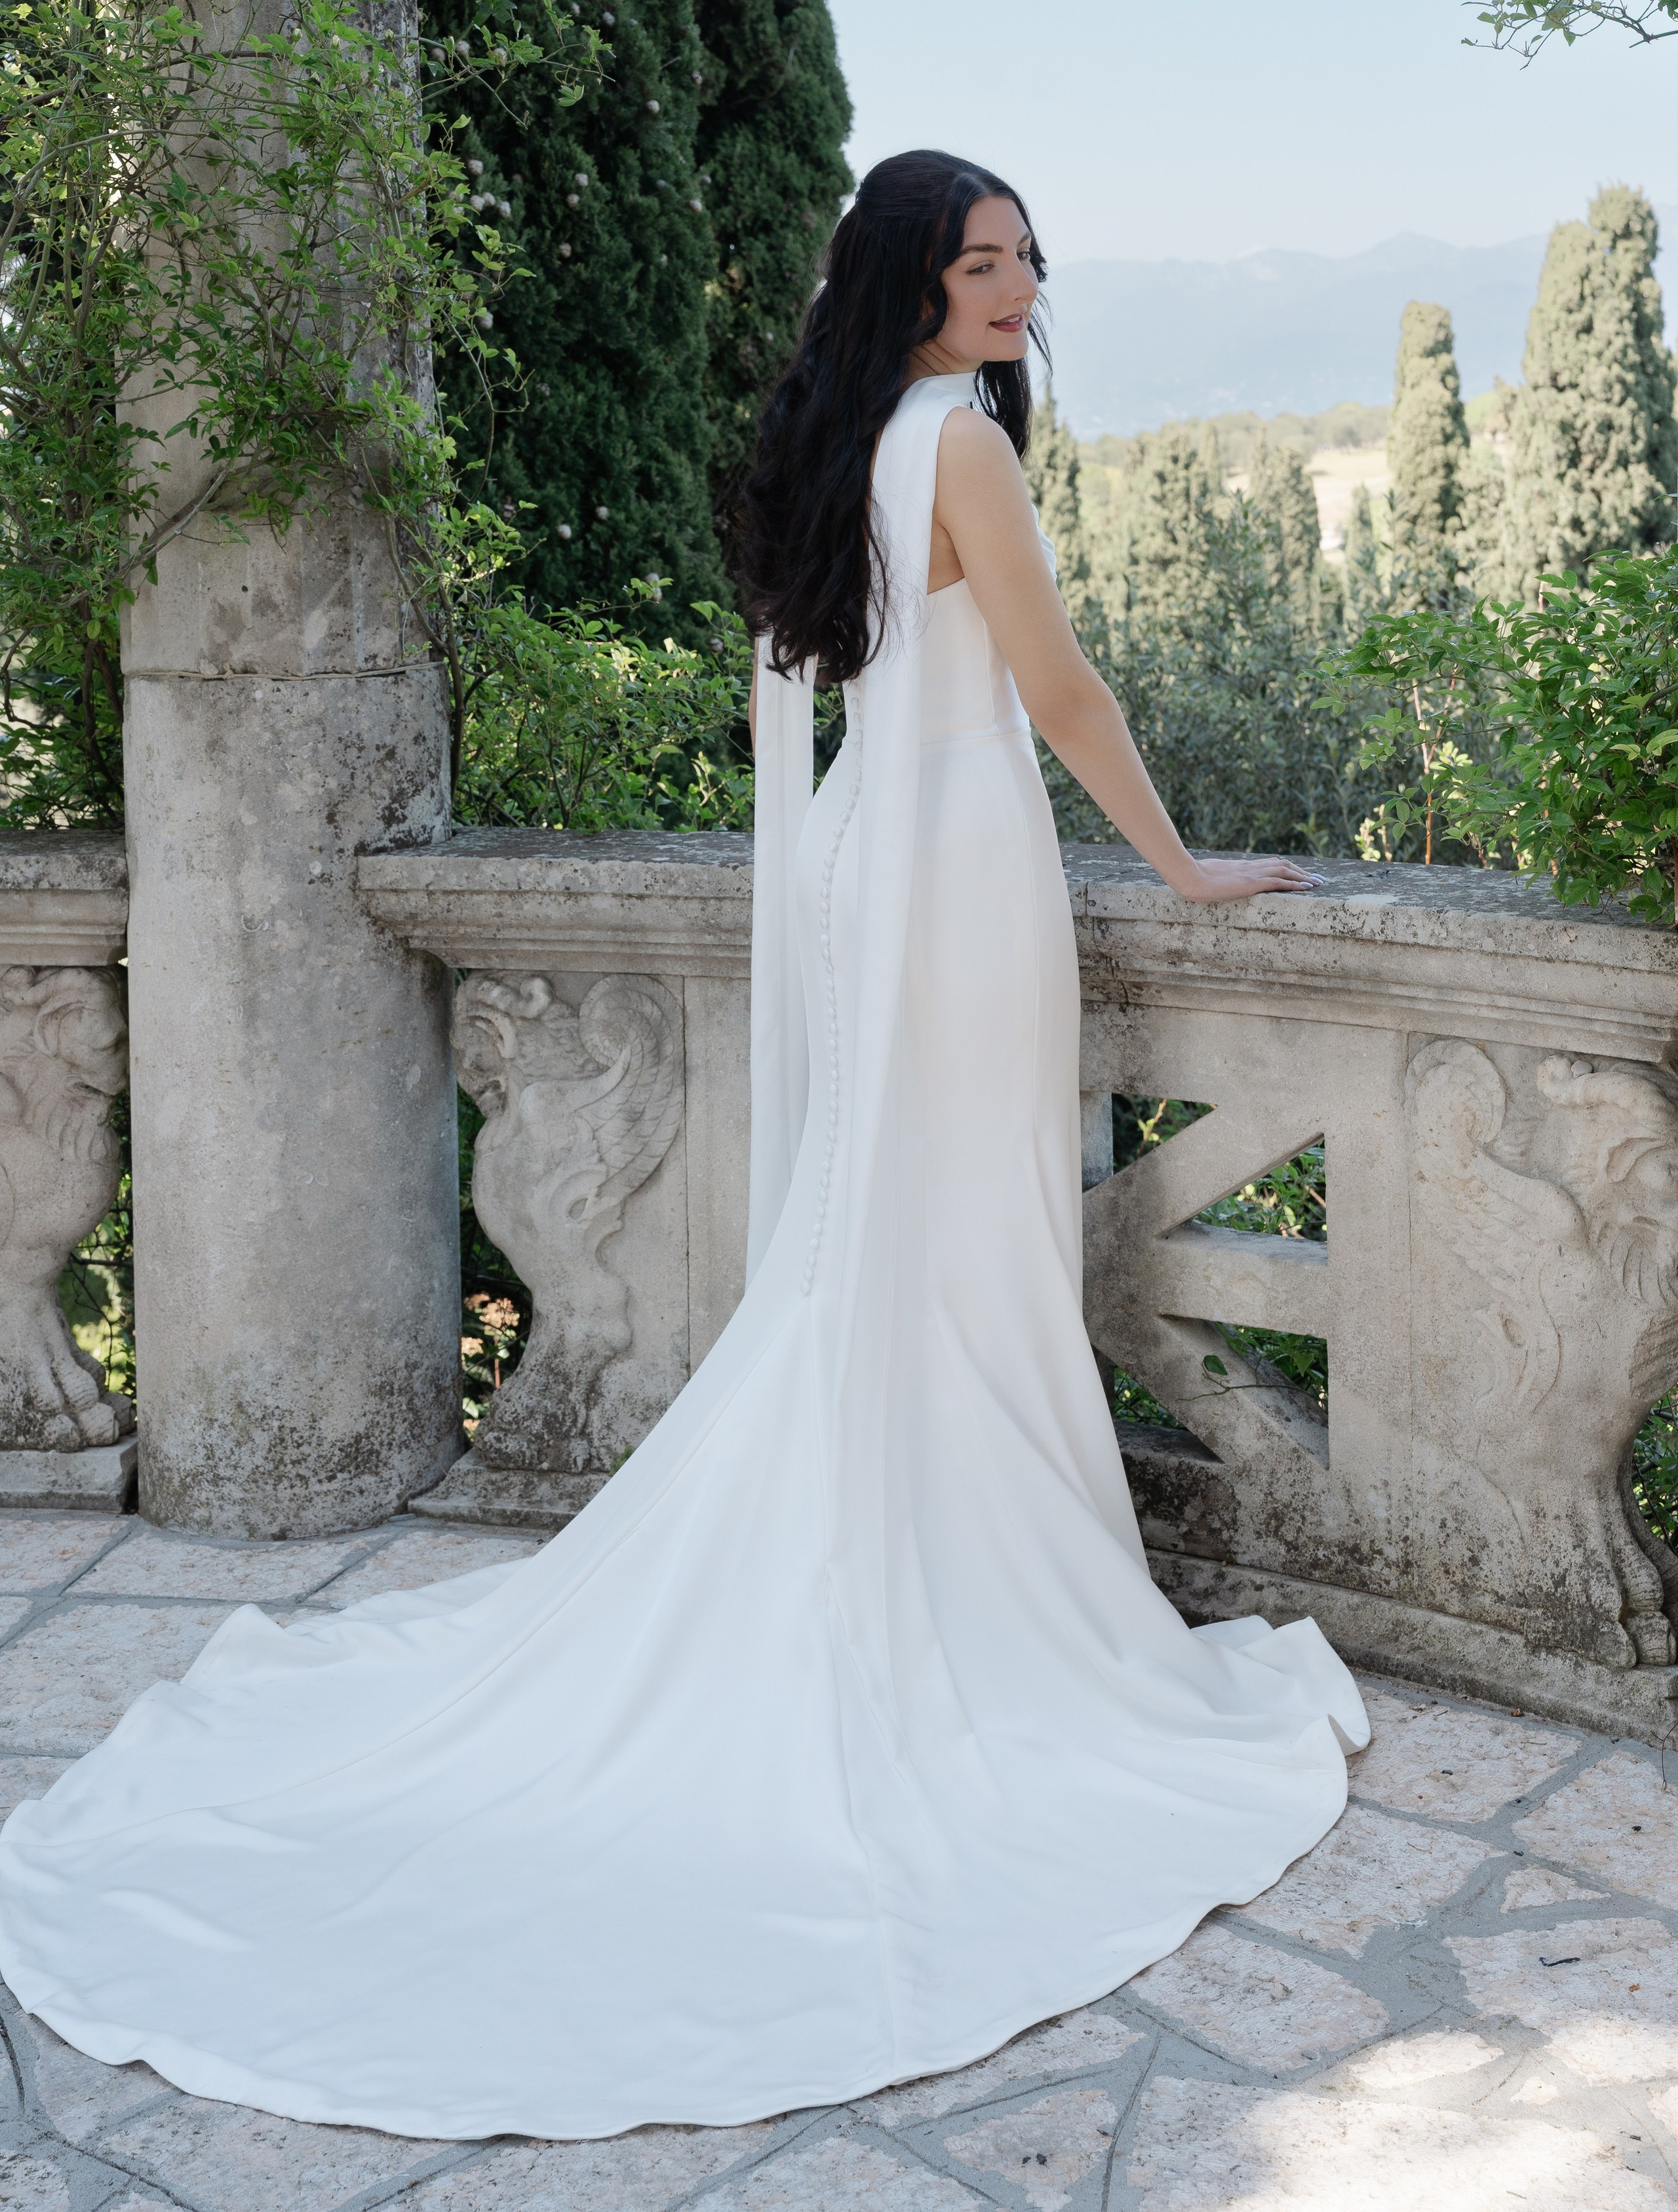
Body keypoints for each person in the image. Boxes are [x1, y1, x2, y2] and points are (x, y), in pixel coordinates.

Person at [0, 149, 1365, 2143]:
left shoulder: (852, 447)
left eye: (1026, 259)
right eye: (981, 263)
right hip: (961, 864)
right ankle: (970, 1606)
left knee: (893, 1234)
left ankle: (918, 1551)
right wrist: (1181, 862)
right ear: (909, 283)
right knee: (958, 1230)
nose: (1018, 287)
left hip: (862, 854)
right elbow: (1056, 684)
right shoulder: (962, 445)